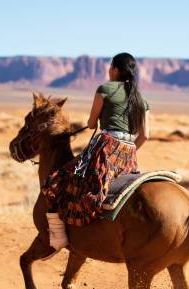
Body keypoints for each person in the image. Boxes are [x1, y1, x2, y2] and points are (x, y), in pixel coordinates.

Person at [43, 52, 151, 250]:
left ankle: (58, 237)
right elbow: (145, 136)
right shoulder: (141, 98)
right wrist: (128, 151)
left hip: (106, 148)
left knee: (58, 179)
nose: (109, 71)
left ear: (116, 70)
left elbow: (92, 124)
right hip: (128, 154)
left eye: (111, 67)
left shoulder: (105, 88)